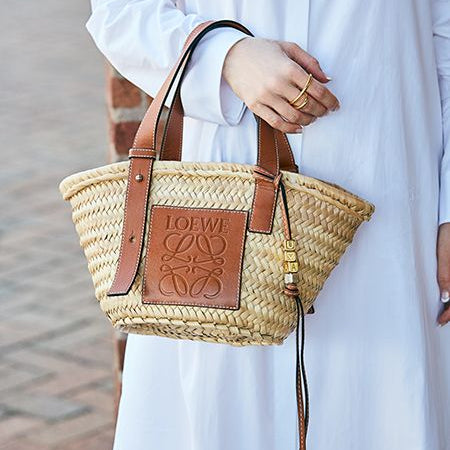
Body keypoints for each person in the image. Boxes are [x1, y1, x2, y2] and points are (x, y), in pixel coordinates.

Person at [86, 1, 450, 449]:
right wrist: (226, 56)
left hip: (394, 192)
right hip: (222, 204)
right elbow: (121, 15)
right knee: (224, 412)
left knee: (380, 406)